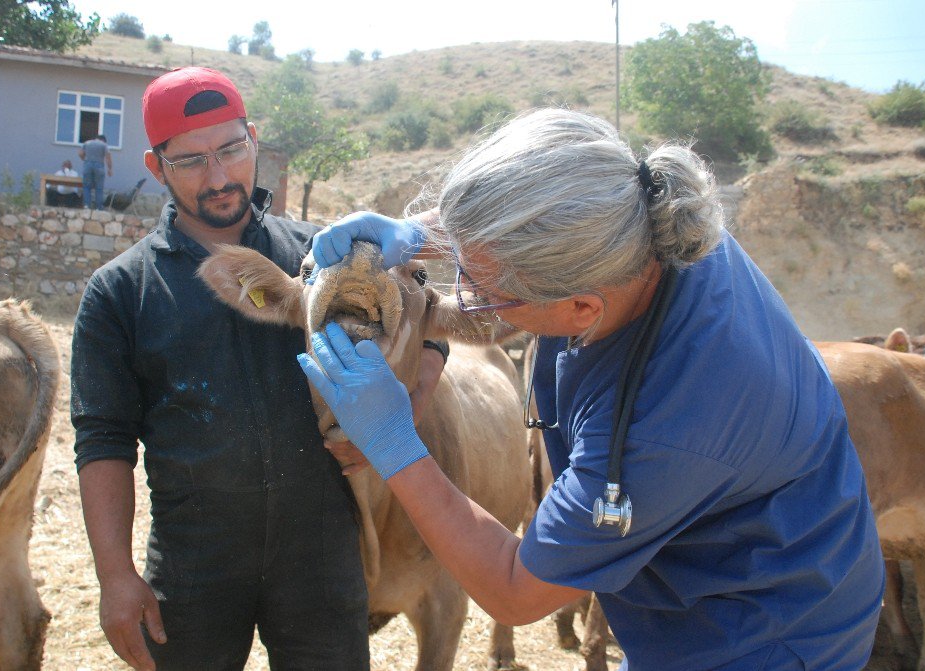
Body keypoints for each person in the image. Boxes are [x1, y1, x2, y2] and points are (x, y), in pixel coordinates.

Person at [300, 108, 885, 670]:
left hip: (759, 636)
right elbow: (538, 205)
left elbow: (515, 591)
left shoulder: (662, 431)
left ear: (581, 308)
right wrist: (418, 235)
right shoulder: (639, 217)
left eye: (485, 288)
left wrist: (392, 441)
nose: (467, 299)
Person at [70, 67, 447, 671]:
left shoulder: (319, 258)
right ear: (155, 164)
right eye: (191, 160)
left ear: (252, 137)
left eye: (231, 150)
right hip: (195, 557)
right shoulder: (121, 292)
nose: (218, 178)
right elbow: (103, 441)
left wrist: (415, 397)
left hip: (321, 550)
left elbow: (421, 309)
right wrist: (116, 578)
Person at [78, 133, 113, 209]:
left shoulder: (87, 143)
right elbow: (108, 158)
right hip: (99, 165)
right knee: (99, 187)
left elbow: (80, 153)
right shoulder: (104, 145)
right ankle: (99, 207)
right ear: (103, 140)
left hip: (88, 164)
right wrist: (109, 169)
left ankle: (87, 205)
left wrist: (85, 160)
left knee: (87, 186)